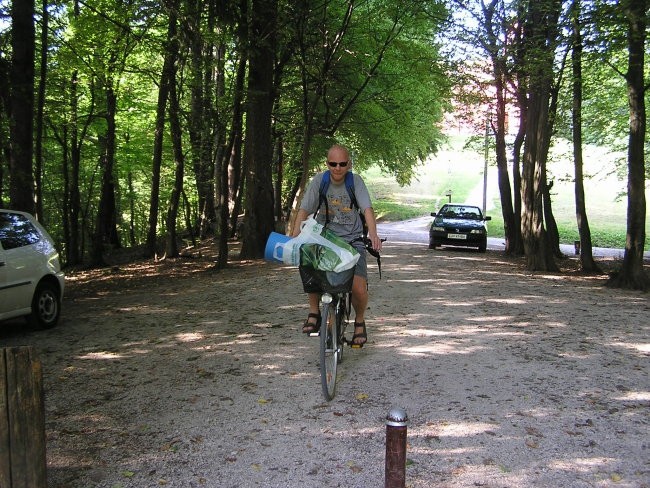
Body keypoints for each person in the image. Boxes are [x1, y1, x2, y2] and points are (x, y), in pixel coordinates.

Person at [292, 144, 382, 347]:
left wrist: (374, 235)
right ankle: (314, 312)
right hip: (324, 238)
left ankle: (359, 322)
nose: (338, 168)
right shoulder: (320, 181)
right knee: (308, 265)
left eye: (342, 164)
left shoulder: (354, 181)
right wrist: (295, 236)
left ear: (348, 164)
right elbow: (304, 210)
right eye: (333, 164)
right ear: (327, 164)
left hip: (352, 240)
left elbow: (367, 209)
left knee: (358, 287)